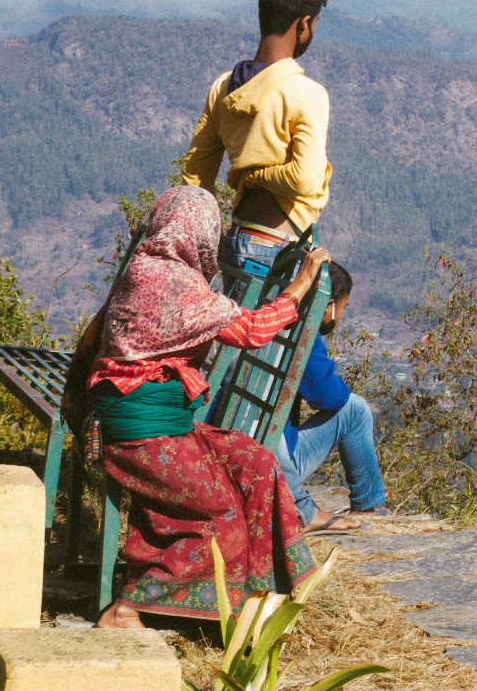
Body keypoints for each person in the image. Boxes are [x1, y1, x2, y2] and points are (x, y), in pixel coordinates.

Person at [78, 185, 329, 630]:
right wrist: (300, 286)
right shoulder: (176, 284)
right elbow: (252, 330)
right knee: (222, 512)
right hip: (139, 434)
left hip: (160, 423)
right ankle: (129, 607)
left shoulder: (144, 266)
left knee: (255, 463)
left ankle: (256, 593)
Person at [180, 0, 331, 280]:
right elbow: (305, 180)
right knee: (273, 329)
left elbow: (196, 174)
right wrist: (251, 175)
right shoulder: (306, 93)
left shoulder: (223, 87)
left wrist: (206, 240)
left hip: (236, 240)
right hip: (280, 248)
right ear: (303, 24)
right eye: (314, 23)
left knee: (236, 330)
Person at [274, 261, 388, 531]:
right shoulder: (302, 331)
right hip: (276, 464)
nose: (340, 317)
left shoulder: (272, 316)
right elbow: (328, 396)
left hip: (254, 448)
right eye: (343, 308)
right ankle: (368, 507)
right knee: (356, 411)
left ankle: (369, 505)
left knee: (354, 407)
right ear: (328, 305)